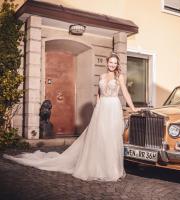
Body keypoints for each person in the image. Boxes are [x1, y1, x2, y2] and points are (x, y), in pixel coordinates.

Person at [3, 53, 138, 181]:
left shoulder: (119, 77)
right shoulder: (102, 76)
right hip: (102, 109)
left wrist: (132, 107)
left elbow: (125, 93)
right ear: (107, 63)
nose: (112, 65)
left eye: (114, 63)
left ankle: (113, 170)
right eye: (110, 62)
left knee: (111, 138)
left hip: (113, 108)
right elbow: (98, 94)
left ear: (117, 64)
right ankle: (98, 168)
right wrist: (97, 108)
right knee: (100, 137)